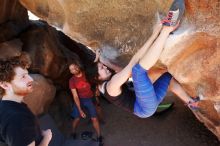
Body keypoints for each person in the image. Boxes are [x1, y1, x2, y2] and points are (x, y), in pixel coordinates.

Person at [86, 0, 199, 118]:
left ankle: (191, 102)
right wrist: (156, 33)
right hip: (144, 107)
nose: (104, 67)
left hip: (146, 107)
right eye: (101, 68)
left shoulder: (99, 83)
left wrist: (98, 59)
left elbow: (92, 71)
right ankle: (167, 29)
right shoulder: (112, 85)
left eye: (102, 66)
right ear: (97, 77)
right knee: (137, 71)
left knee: (167, 75)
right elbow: (134, 62)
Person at [0, 54, 52, 146]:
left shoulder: (6, 106)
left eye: (27, 74)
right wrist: (47, 138)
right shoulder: (16, 118)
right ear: (5, 85)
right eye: (23, 77)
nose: (31, 79)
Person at [68, 60, 103, 144]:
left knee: (94, 118)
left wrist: (97, 90)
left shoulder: (86, 74)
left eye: (75, 67)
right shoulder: (72, 80)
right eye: (71, 69)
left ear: (78, 66)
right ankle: (73, 132)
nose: (74, 70)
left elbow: (95, 77)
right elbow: (75, 96)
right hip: (80, 99)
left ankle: (99, 136)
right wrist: (80, 110)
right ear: (70, 72)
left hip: (90, 98)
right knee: (77, 118)